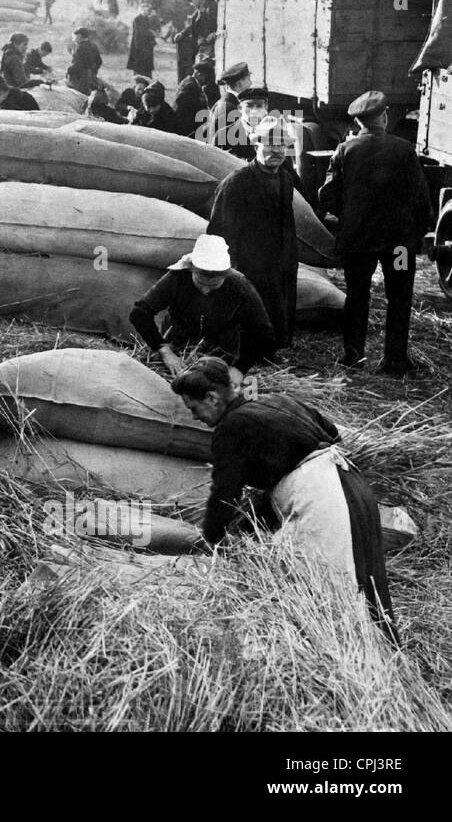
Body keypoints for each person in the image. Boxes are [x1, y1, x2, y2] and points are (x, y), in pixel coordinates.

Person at [171, 357, 396, 642]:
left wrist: (212, 541)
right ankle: (384, 659)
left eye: (194, 408)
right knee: (369, 587)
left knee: (333, 595)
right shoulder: (277, 401)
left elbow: (224, 495)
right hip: (353, 487)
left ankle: (357, 669)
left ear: (213, 397)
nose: (194, 417)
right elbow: (333, 434)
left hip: (322, 501)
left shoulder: (231, 427)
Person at [318, 91, 432, 375]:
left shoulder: (345, 150)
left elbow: (326, 195)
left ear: (358, 123)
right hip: (398, 247)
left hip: (358, 243)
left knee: (357, 297)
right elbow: (422, 200)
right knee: (400, 297)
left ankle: (353, 357)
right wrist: (413, 236)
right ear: (385, 116)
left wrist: (349, 215)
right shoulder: (404, 149)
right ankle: (395, 360)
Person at [208, 112, 301, 351]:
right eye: (269, 144)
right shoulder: (237, 182)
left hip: (278, 259)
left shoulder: (286, 179)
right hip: (250, 261)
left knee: (278, 307)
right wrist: (230, 265)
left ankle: (274, 347)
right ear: (256, 145)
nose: (276, 151)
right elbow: (220, 229)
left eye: (281, 144)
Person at [131, 234, 274, 379]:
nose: (205, 290)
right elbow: (139, 313)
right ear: (192, 269)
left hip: (222, 354)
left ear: (225, 276)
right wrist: (164, 349)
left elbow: (262, 333)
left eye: (213, 286)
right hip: (177, 348)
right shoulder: (178, 277)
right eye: (200, 283)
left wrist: (239, 369)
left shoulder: (239, 285)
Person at [206, 61, 255, 157]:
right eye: (248, 79)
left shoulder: (223, 103)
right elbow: (229, 147)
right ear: (240, 83)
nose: (251, 83)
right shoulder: (229, 109)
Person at [177, 0, 218, 83]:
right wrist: (182, 34)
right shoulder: (199, 10)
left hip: (210, 47)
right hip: (202, 47)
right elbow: (192, 25)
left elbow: (216, 25)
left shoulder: (212, 7)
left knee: (204, 74)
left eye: (192, 0)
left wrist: (211, 35)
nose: (191, 3)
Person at [174, 59, 220, 138]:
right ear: (199, 74)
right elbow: (186, 112)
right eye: (206, 77)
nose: (207, 81)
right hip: (185, 130)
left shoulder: (190, 83)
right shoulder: (189, 87)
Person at [66, 27, 102, 96]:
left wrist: (69, 70)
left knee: (79, 97)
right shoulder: (94, 46)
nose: (73, 40)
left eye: (74, 37)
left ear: (79, 36)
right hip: (92, 77)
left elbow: (78, 64)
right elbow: (99, 61)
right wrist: (93, 71)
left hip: (81, 79)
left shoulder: (79, 48)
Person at [126, 3, 156, 78]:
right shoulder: (137, 20)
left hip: (147, 44)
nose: (145, 12)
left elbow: (151, 30)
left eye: (146, 10)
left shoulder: (148, 19)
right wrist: (149, 32)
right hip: (139, 43)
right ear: (140, 10)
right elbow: (138, 32)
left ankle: (147, 77)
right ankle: (138, 77)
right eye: (143, 10)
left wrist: (152, 39)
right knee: (138, 63)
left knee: (147, 63)